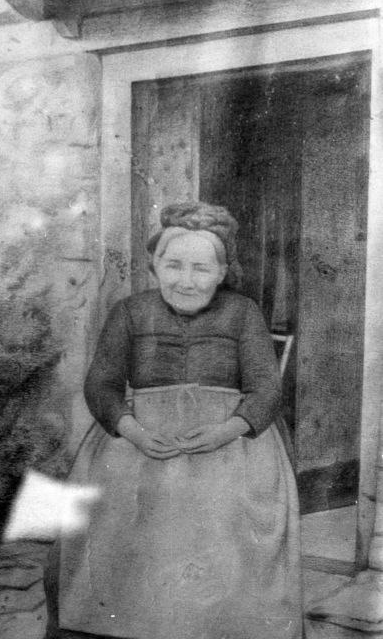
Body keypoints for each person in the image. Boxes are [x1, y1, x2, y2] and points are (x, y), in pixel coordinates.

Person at [44, 202, 302, 639]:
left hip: (230, 450)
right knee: (108, 540)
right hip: (140, 447)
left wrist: (226, 431)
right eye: (173, 265)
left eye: (201, 268)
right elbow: (101, 385)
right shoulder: (130, 312)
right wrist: (134, 432)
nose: (186, 280)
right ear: (155, 266)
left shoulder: (242, 313)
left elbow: (267, 389)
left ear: (222, 272)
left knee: (227, 546)